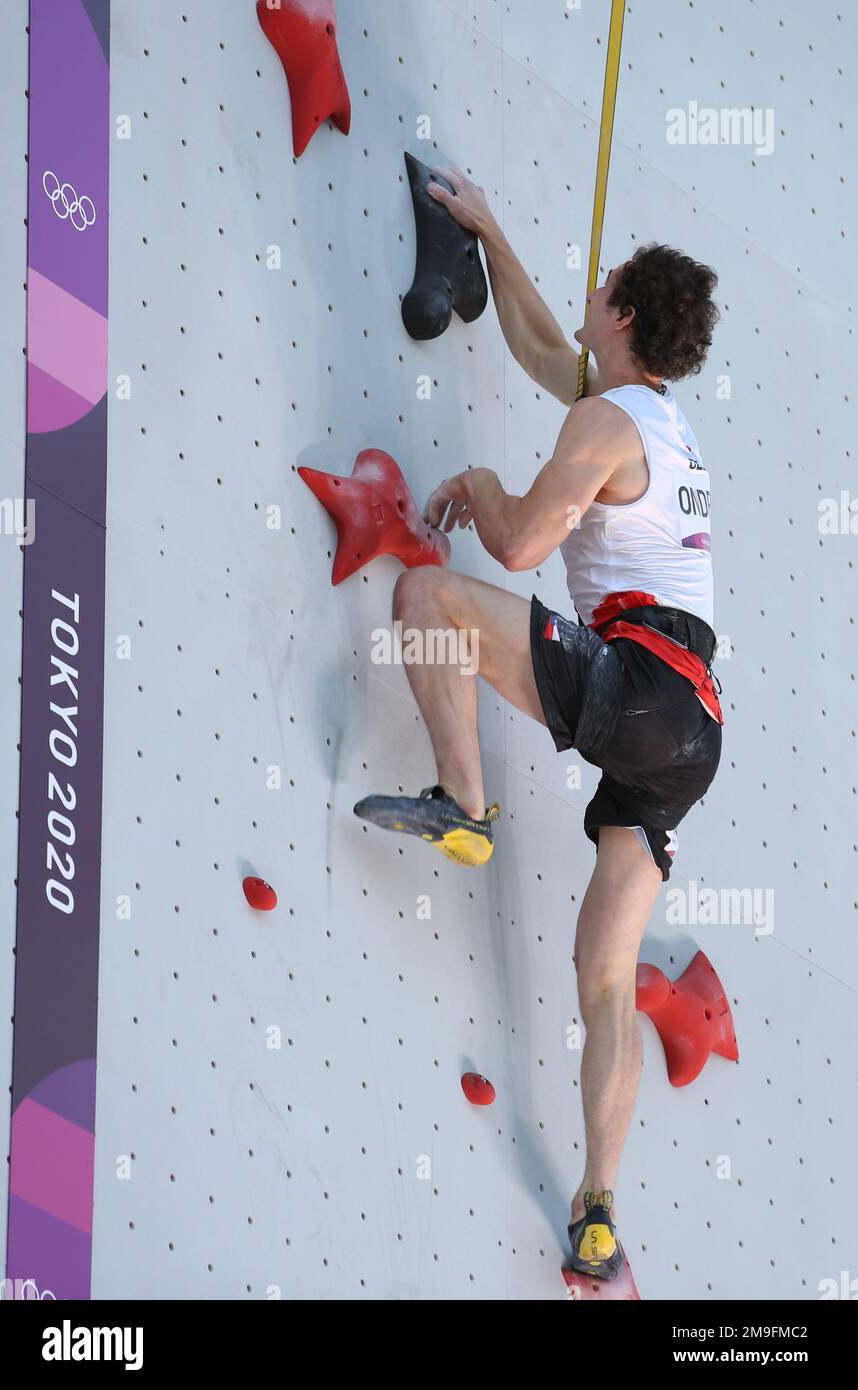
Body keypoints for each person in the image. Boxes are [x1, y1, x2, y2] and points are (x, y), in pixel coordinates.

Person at [354, 166, 722, 1280]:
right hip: (690, 732)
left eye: (597, 285)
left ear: (617, 311)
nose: (584, 295)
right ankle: (598, 1213)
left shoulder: (609, 422)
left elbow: (513, 548)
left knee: (426, 600)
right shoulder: (650, 418)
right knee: (601, 975)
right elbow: (534, 349)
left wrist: (477, 479)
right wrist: (490, 232)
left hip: (639, 680)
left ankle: (464, 802)